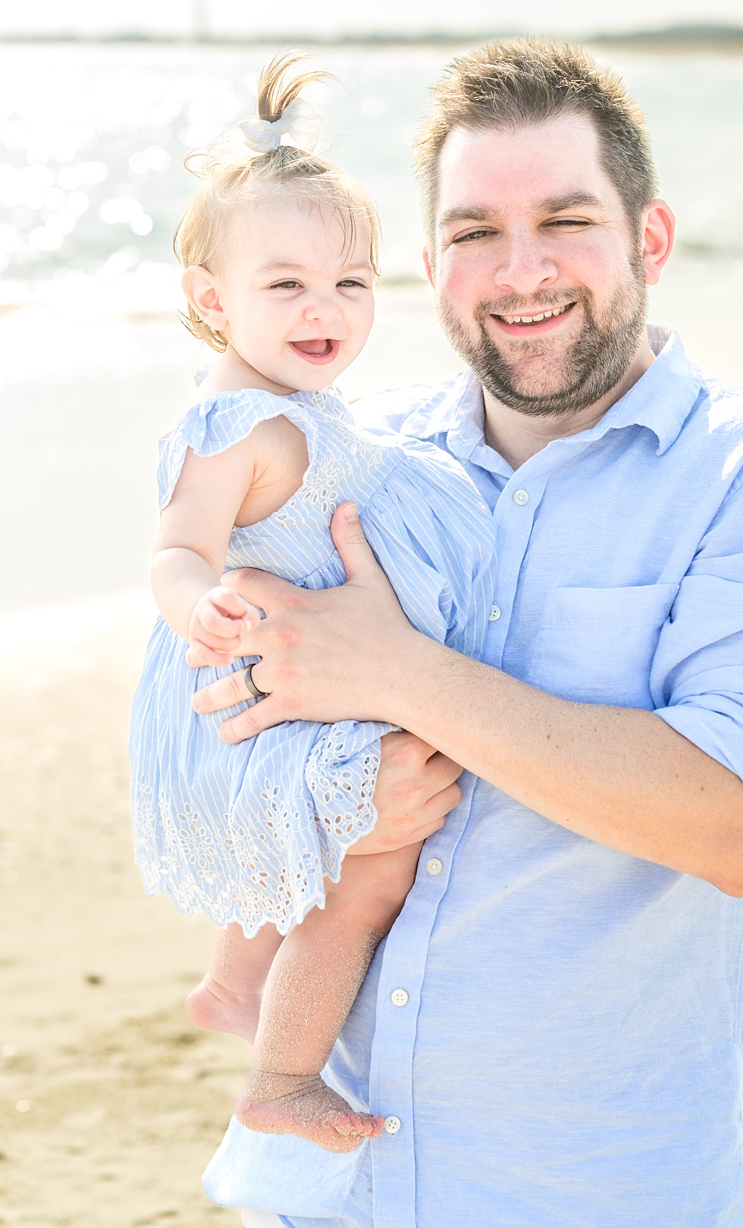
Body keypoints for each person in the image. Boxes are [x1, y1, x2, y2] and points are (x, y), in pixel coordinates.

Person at [189, 39, 743, 1226]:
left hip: (593, 1188)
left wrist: (404, 674)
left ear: (651, 239)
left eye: (565, 219)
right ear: (431, 265)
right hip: (336, 1192)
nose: (519, 270)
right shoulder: (359, 460)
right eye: (475, 232)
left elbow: (736, 823)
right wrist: (324, 807)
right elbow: (227, 735)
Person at [132, 56, 493, 1153]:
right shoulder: (237, 425)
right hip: (265, 682)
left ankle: (238, 977)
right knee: (366, 875)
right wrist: (201, 607)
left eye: (351, 281)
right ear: (213, 301)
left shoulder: (305, 406)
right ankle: (283, 1075)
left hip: (311, 673)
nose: (324, 308)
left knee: (331, 851)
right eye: (284, 285)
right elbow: (177, 548)